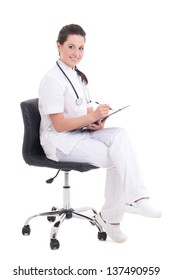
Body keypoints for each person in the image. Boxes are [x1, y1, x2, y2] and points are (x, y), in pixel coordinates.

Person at [38, 24, 161, 243]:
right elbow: (58, 125)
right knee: (118, 157)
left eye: (81, 48)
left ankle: (135, 199)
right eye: (71, 47)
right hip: (59, 143)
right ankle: (114, 218)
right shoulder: (52, 79)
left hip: (77, 133)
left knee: (120, 135)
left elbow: (82, 110)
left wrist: (97, 119)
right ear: (59, 46)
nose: (77, 53)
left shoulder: (77, 76)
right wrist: (89, 117)